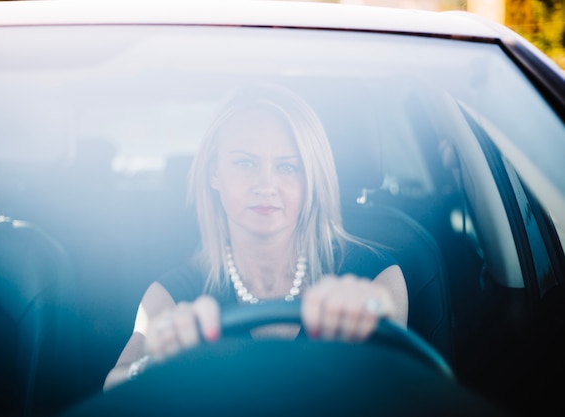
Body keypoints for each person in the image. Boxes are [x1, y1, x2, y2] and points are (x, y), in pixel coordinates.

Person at [103, 83, 408, 391]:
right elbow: (113, 387)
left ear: (312, 179)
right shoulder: (171, 296)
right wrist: (157, 365)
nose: (266, 184)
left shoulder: (373, 280)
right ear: (214, 173)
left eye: (288, 166)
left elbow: (396, 394)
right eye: (245, 163)